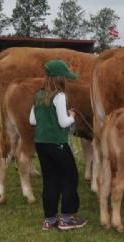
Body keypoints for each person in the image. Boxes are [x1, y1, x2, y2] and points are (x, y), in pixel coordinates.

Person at [29, 59, 87, 230]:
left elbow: (32, 120)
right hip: (58, 144)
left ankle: (50, 218)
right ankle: (67, 218)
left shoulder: (38, 95)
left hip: (41, 144)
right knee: (70, 178)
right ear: (60, 78)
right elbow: (63, 123)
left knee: (50, 180)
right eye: (65, 77)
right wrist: (72, 117)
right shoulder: (59, 96)